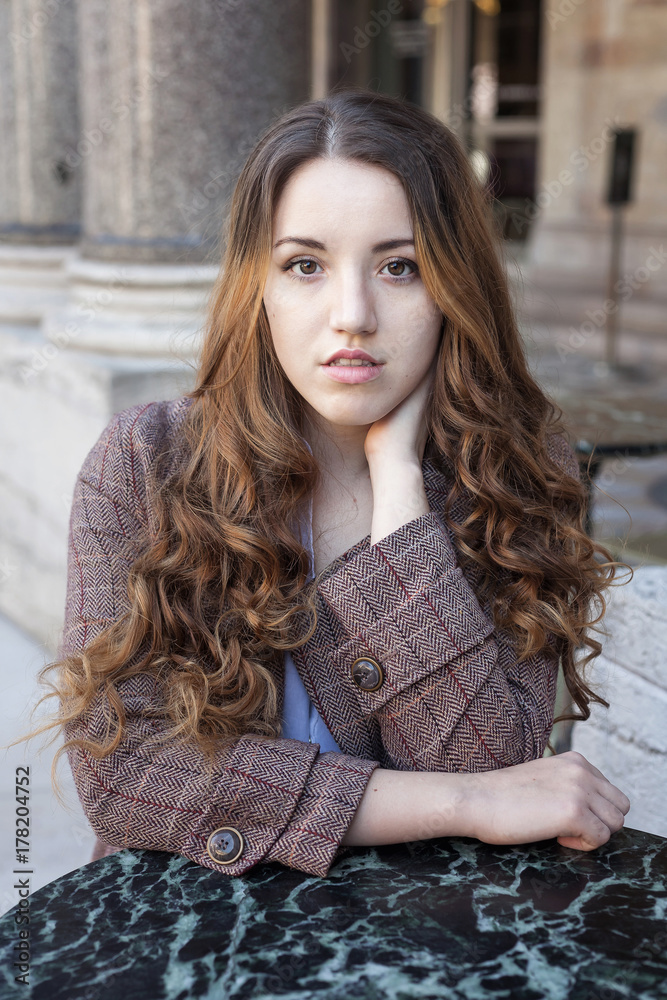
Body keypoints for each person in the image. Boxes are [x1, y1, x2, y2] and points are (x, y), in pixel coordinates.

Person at [40, 89, 631, 879]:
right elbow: (127, 777)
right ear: (259, 285)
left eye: (399, 267)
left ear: (454, 286)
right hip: (193, 933)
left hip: (428, 941)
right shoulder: (146, 461)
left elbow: (492, 756)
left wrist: (399, 505)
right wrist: (460, 806)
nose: (352, 314)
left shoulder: (512, 475)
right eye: (305, 265)